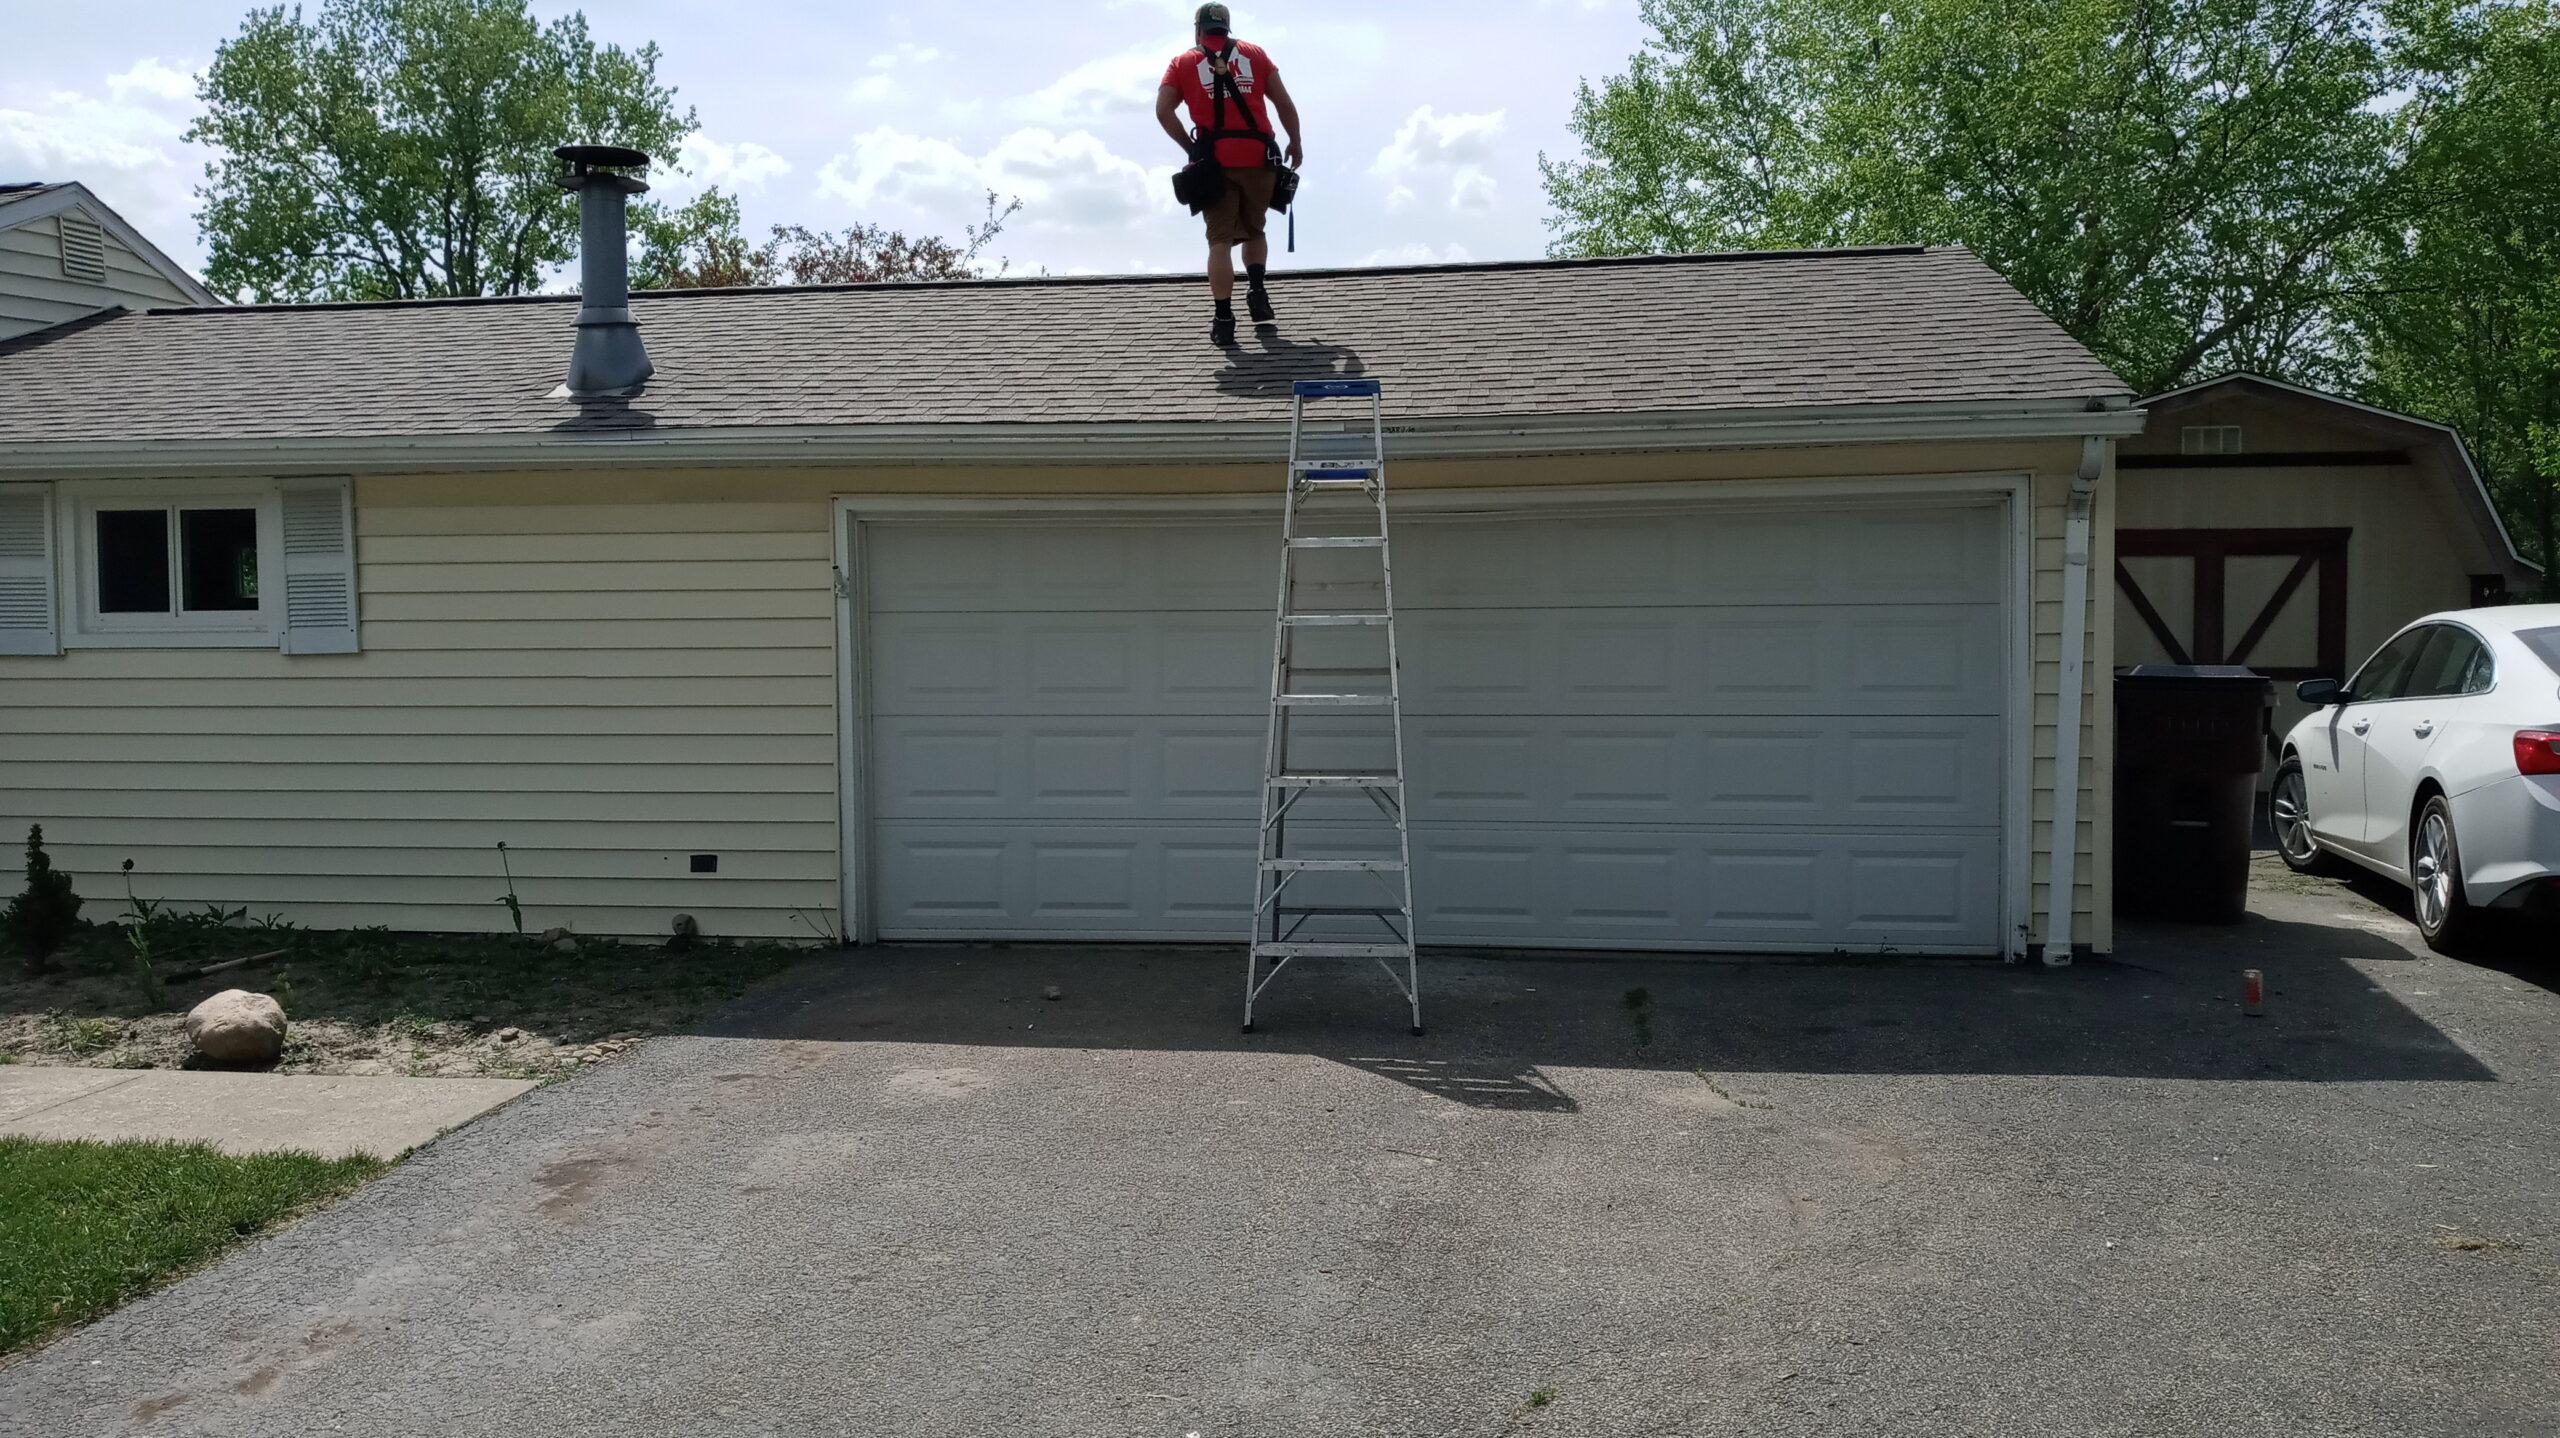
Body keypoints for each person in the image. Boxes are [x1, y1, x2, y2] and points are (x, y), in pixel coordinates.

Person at [1156, 3, 1301, 345]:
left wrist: (1190, 148)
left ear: (1198, 29)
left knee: (1219, 242)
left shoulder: (1183, 63)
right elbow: (1284, 103)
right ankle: (1258, 292)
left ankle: (1223, 317)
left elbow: (1163, 111)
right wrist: (1295, 142)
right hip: (1259, 158)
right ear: (1227, 27)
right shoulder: (1256, 55)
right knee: (1255, 230)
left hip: (1215, 164)